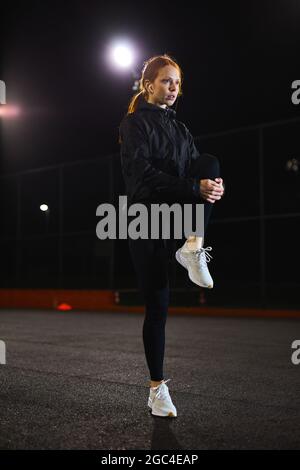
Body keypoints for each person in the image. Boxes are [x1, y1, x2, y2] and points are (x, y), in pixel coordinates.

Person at [118, 54, 225, 418]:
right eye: (166, 81)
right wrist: (193, 187)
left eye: (177, 82)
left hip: (177, 215)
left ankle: (193, 247)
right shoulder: (134, 124)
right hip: (145, 217)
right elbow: (141, 177)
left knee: (209, 163)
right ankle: (157, 389)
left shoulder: (181, 131)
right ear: (149, 85)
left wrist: (209, 188)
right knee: (158, 306)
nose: (174, 88)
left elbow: (196, 171)